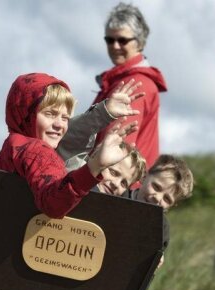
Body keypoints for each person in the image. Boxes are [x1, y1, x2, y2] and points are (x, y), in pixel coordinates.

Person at [0, 72, 137, 220]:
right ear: (27, 113)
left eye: (65, 117)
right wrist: (93, 168)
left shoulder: (10, 150)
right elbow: (54, 205)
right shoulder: (37, 152)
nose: (60, 124)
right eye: (50, 114)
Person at [57, 2, 166, 170]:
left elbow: (117, 147)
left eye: (122, 40)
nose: (115, 46)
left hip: (113, 183)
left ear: (140, 42)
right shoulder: (119, 80)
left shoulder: (135, 84)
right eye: (110, 40)